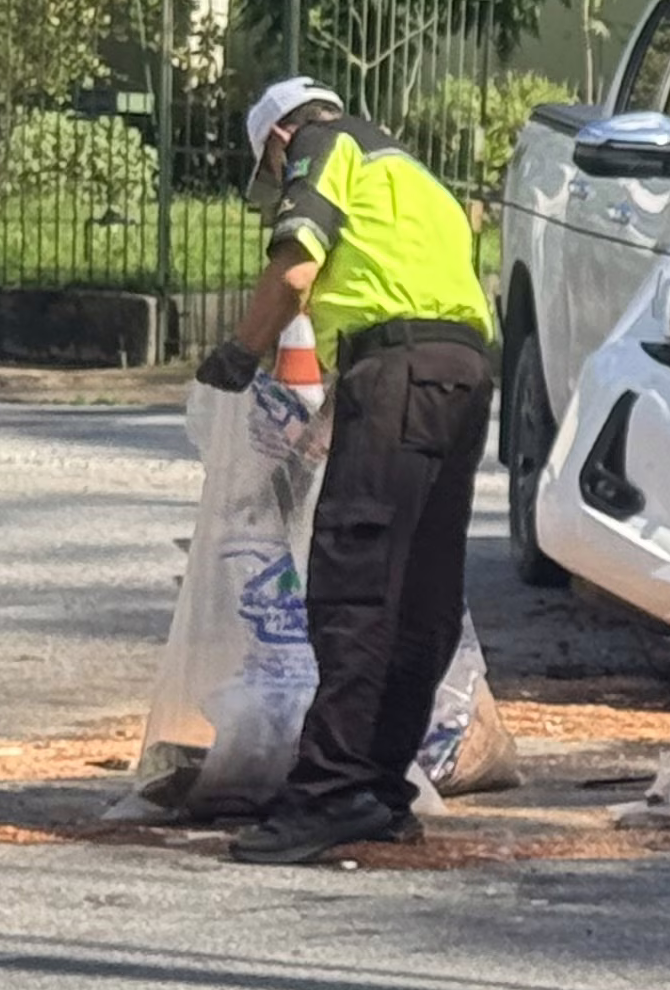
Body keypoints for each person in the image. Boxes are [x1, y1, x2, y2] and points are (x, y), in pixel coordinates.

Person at [204, 78, 499, 865]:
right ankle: (377, 788)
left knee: (356, 584)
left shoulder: (323, 147)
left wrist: (241, 351)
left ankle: (330, 793)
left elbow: (297, 271)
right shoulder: (418, 177)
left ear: (278, 138)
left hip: (399, 369)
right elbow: (400, 290)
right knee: (421, 592)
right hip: (461, 375)